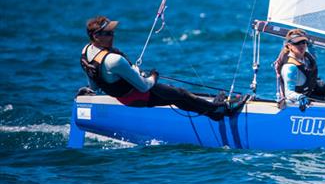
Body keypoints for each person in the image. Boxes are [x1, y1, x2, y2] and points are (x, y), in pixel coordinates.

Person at [79, 16, 243, 121]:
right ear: (96, 36)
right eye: (108, 33)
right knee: (181, 94)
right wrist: (153, 76)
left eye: (113, 32)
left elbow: (93, 86)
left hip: (125, 97)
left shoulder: (86, 52)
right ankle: (220, 111)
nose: (113, 36)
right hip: (139, 95)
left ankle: (211, 113)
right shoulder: (114, 60)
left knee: (176, 98)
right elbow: (144, 86)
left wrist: (87, 91)